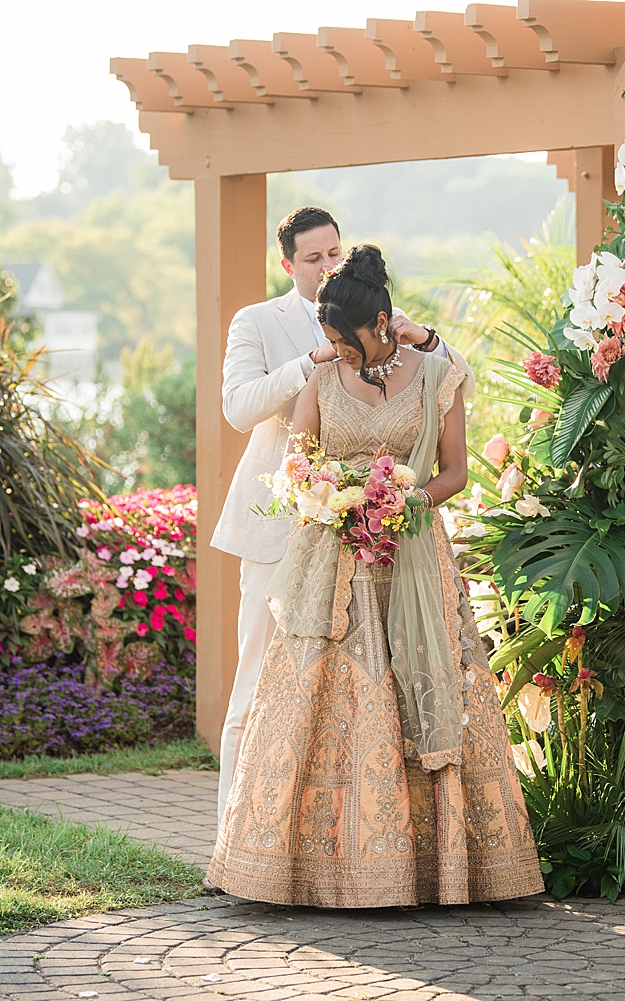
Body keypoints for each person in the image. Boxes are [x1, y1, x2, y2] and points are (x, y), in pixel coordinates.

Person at [206, 245, 544, 907]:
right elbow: (297, 464)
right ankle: (303, 867)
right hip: (334, 560)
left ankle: (435, 867)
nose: (339, 351)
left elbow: (455, 471)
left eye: (347, 338)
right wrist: (330, 494)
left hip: (414, 555)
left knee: (424, 685)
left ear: (384, 321)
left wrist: (405, 501)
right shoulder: (322, 378)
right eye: (329, 339)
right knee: (330, 700)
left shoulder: (435, 375)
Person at [210, 207, 474, 837]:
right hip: (283, 525)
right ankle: (233, 837)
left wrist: (426, 338)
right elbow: (238, 409)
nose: (327, 265)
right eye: (313, 258)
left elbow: (454, 382)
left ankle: (331, 836)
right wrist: (315, 359)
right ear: (287, 264)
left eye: (334, 253)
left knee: (350, 696)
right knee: (260, 684)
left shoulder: (374, 312)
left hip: (374, 543)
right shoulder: (257, 322)